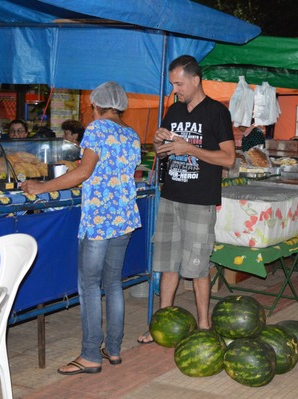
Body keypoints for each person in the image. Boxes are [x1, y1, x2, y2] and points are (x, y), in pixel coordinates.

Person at [21, 81, 142, 374]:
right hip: (123, 219)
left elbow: (83, 172)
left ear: (97, 105)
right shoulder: (132, 134)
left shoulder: (98, 129)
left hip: (99, 221)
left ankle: (90, 355)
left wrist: (41, 186)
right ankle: (112, 349)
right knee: (113, 284)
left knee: (89, 286)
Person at [137, 55, 235, 344]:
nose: (175, 89)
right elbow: (161, 152)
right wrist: (158, 140)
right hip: (171, 197)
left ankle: (204, 327)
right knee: (167, 263)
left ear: (195, 79)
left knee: (197, 266)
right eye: (172, 84)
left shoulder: (217, 113)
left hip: (199, 200)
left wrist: (190, 149)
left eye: (179, 83)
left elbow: (228, 159)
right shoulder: (174, 110)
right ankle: (162, 326)